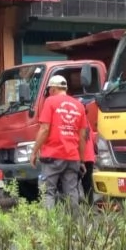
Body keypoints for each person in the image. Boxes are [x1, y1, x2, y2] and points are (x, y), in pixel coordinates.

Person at [29, 75, 88, 210]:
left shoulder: (50, 101)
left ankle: (50, 222)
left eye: (49, 90)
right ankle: (73, 222)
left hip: (53, 156)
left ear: (53, 89)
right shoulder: (79, 106)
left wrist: (34, 152)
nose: (49, 92)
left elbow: (44, 129)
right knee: (71, 192)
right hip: (72, 157)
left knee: (47, 192)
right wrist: (82, 160)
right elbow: (82, 136)